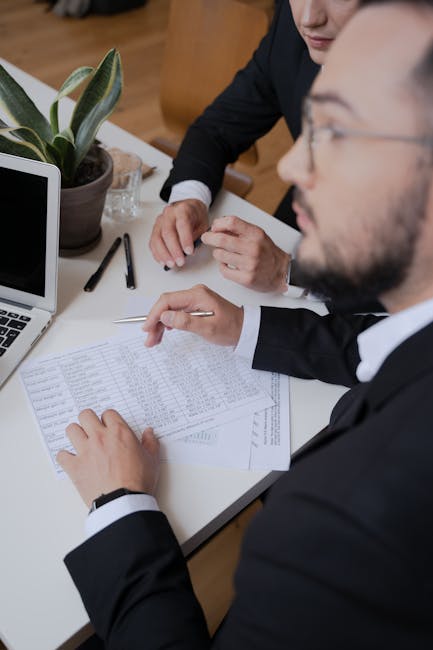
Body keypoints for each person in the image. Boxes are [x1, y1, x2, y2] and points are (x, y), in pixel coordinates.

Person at [60, 1, 433, 647]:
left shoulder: (335, 527)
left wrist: (120, 505)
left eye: (340, 134)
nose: (287, 169)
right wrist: (250, 326)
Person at [149, 0, 359, 295]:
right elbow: (217, 127)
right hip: (303, 225)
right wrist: (189, 199)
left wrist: (288, 272)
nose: (310, 18)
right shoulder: (292, 25)